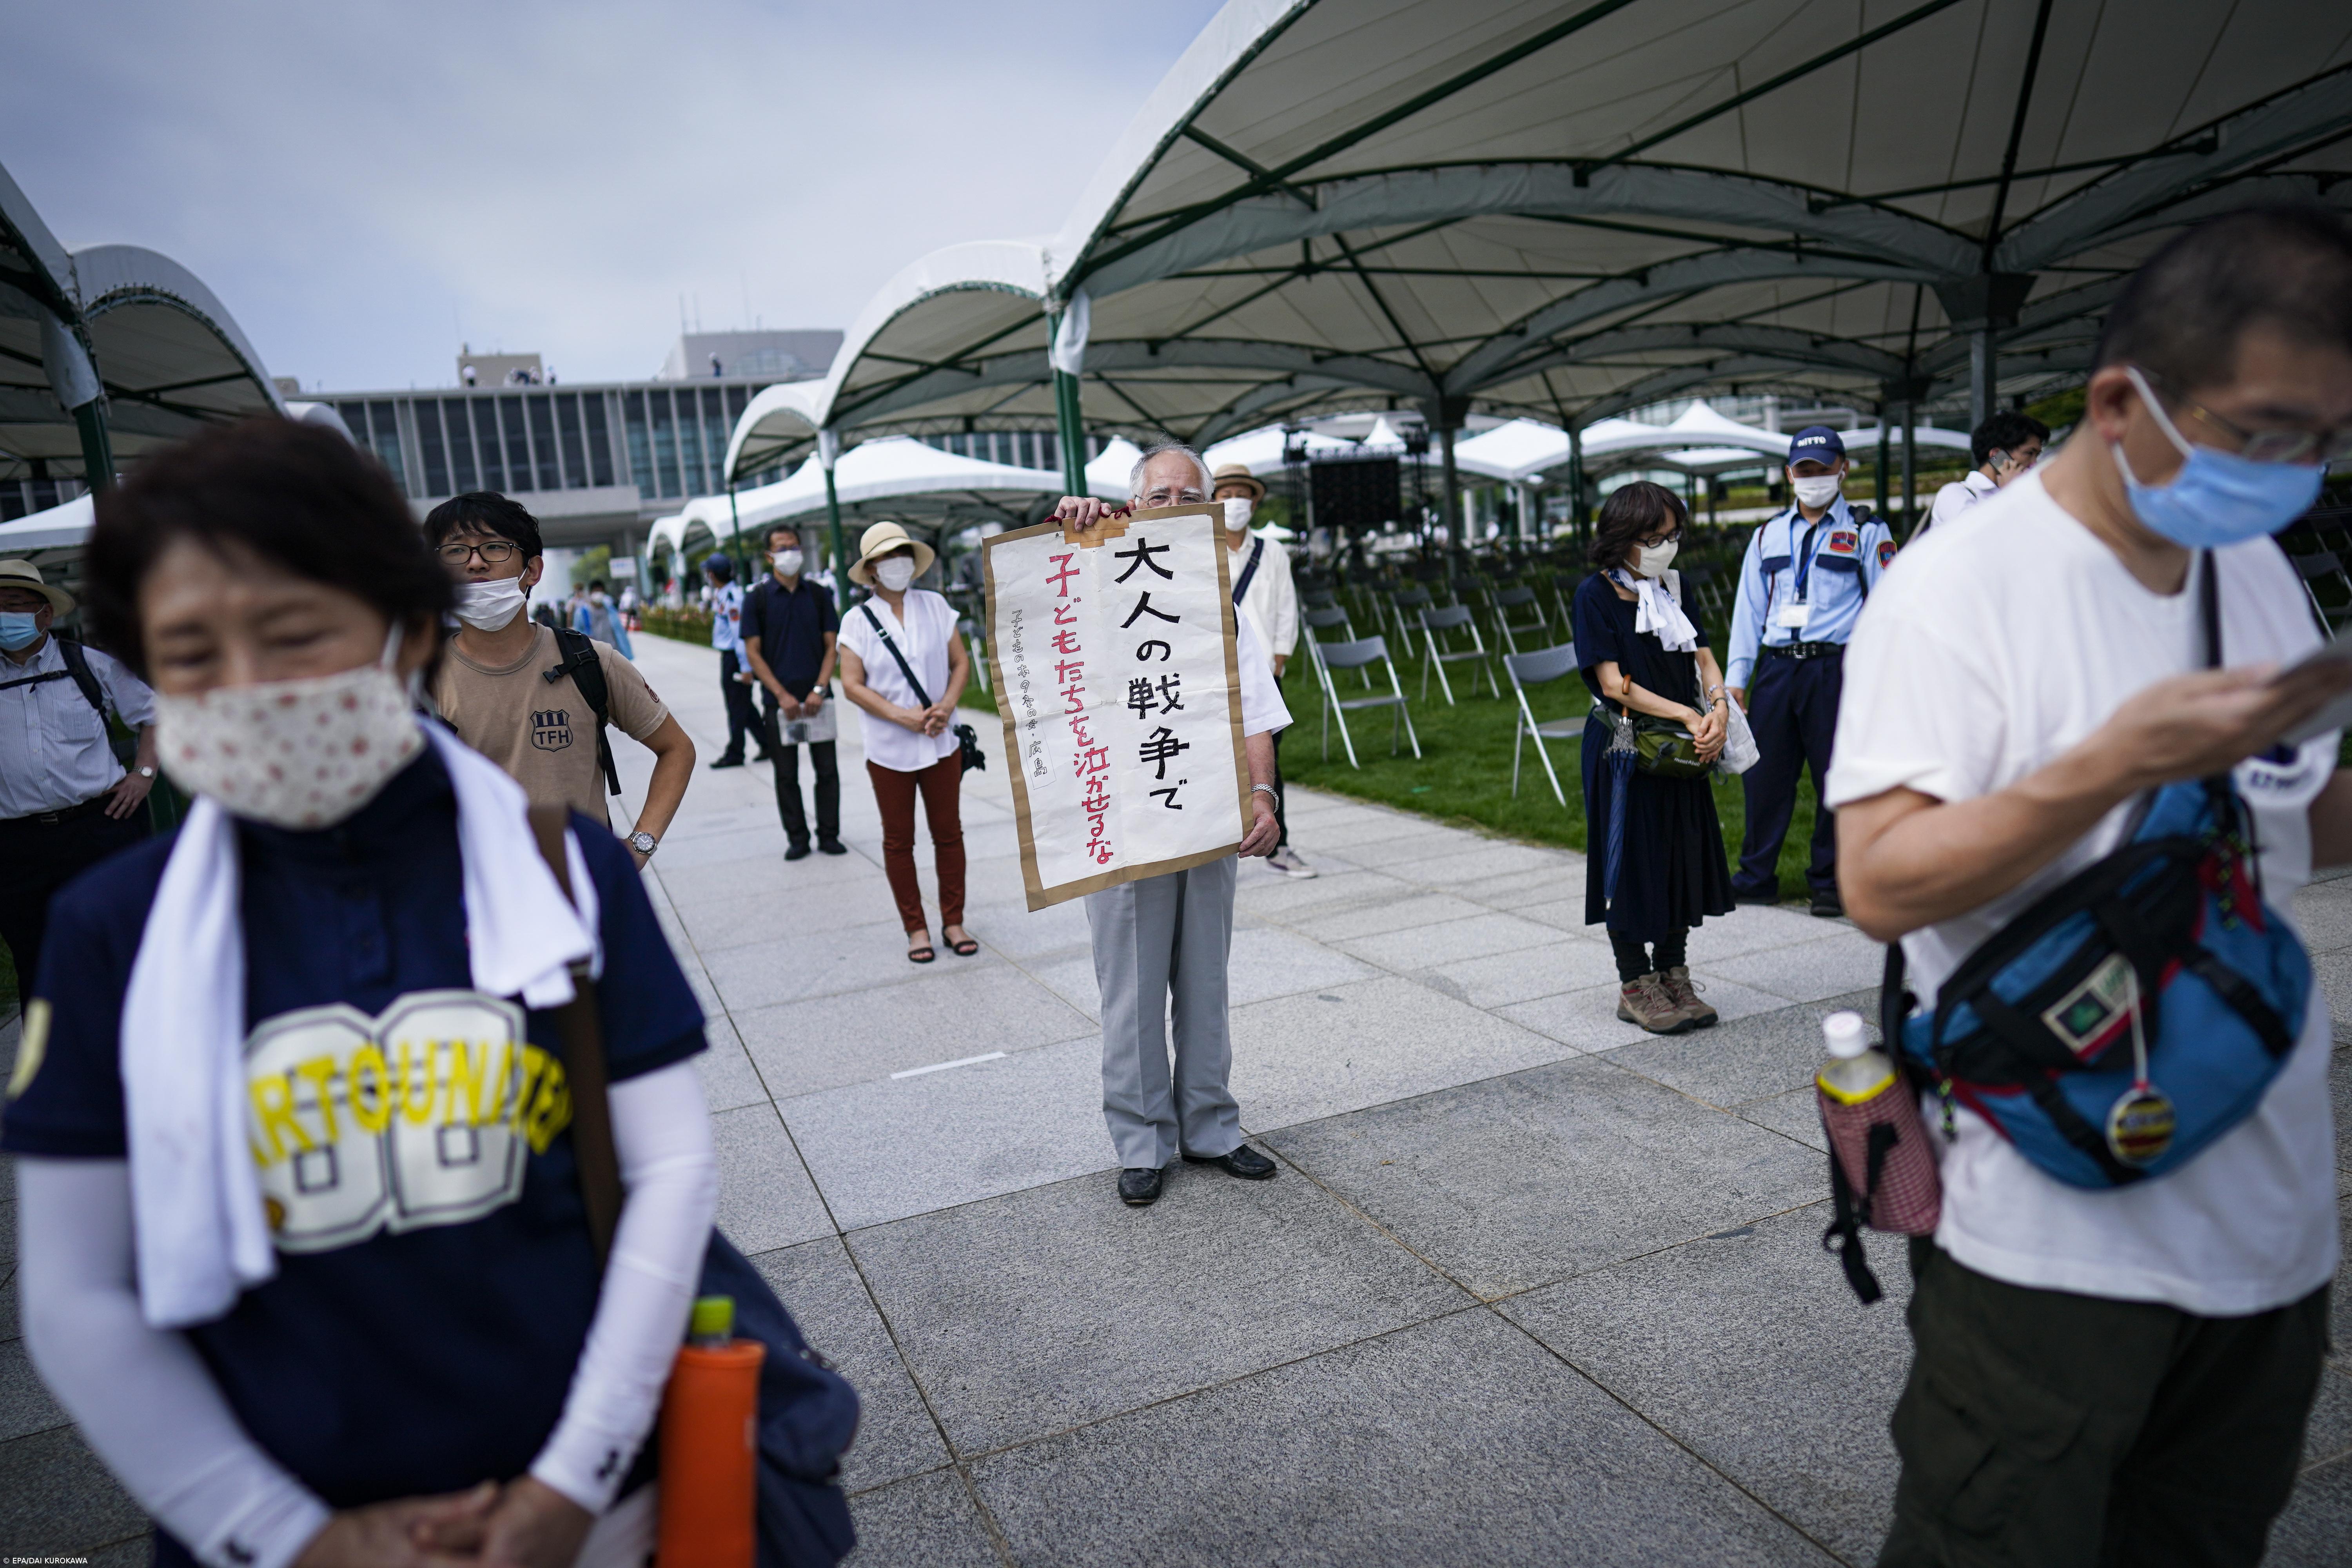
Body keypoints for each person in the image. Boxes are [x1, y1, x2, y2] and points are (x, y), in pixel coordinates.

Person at [5, 417, 719, 1568]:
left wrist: (570, 1482)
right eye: (191, 655)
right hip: (272, 1517)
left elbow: (670, 1169)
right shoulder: (112, 932)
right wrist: (295, 1535)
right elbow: (77, 1290)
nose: (247, 689)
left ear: (396, 633)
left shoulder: (563, 872)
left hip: (591, 1505)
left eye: (293, 635)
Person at [1832, 206, 2352, 1565]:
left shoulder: (2251, 566)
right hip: (2053, 1235)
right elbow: (1880, 881)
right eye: (2266, 432)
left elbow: (2295, 818)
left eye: (2326, 439)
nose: (2297, 470)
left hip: (2273, 1214)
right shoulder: (1958, 591)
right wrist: (2115, 763)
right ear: (2124, 401)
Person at [1052, 445, 1290, 1207]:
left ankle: (1212, 1124)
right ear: (1131, 506)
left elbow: (1256, 708)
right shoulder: (1093, 575)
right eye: (1161, 494)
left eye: (1194, 495)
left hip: (1209, 811)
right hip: (1125, 820)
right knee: (1131, 984)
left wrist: (1263, 793)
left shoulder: (1220, 599)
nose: (1178, 505)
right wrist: (1078, 535)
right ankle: (1142, 1138)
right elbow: (1044, 610)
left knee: (1205, 977)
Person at [429, 492, 694, 866]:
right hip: (478, 905)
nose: (475, 563)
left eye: (493, 547)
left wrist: (639, 847)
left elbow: (677, 749)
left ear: (533, 570)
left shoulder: (590, 661)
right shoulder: (417, 681)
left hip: (586, 894)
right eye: (456, 551)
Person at [1572, 483, 1735, 1034]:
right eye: (1653, 538)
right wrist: (1690, 717)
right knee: (1629, 859)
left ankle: (1673, 972)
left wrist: (1717, 709)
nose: (1665, 547)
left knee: (1680, 855)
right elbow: (1615, 684)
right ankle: (1635, 982)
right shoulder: (1594, 596)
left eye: (1672, 536)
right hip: (1626, 747)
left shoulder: (1674, 589)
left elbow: (1705, 658)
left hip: (1682, 750)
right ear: (1622, 539)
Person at [1724, 426, 1894, 917]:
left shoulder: (1868, 531)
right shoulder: (1768, 534)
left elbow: (1887, 605)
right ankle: (1756, 876)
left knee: (1834, 777)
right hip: (1778, 669)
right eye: (1805, 471)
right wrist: (1737, 679)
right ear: (1789, 475)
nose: (1815, 478)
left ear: (1843, 469)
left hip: (1835, 669)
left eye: (1824, 469)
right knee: (1764, 775)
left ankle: (1831, 882)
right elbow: (1747, 612)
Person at [0, 559, 158, 992]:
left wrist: (143, 774)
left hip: (99, 826)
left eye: (13, 604)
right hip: (17, 846)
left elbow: (156, 715)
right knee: (36, 960)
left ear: (45, 614)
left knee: (126, 944)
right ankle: (59, 1055)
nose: (4, 616)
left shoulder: (89, 664)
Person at [835, 522, 973, 959]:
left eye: (903, 554)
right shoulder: (855, 621)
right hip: (889, 748)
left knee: (949, 834)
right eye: (887, 556)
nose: (898, 563)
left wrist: (946, 707)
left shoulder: (935, 605)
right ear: (871, 569)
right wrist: (902, 716)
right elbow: (852, 685)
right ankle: (916, 928)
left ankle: (954, 921)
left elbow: (960, 662)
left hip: (940, 742)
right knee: (899, 840)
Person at [1211, 462, 1312, 879]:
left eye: (1242, 494)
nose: (1234, 502)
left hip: (1262, 675)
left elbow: (1287, 608)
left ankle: (1278, 842)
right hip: (1211, 676)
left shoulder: (1272, 551)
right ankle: (1216, 844)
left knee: (1268, 762)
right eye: (1225, 494)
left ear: (1254, 501)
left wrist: (1279, 660)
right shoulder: (1200, 547)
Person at [740, 523, 843, 859]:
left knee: (827, 770)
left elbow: (832, 647)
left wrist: (820, 688)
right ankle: (797, 839)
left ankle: (829, 835)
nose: (790, 553)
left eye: (794, 547)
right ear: (769, 556)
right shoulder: (757, 599)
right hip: (778, 703)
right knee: (786, 775)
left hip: (818, 700)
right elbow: (753, 653)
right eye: (782, 548)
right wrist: (782, 695)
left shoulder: (818, 594)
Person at [1923, 409, 2051, 533]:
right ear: (1998, 455)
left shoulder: (2022, 496)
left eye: (2037, 455)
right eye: (2029, 453)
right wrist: (2010, 494)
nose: (2034, 463)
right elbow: (1981, 540)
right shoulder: (1955, 494)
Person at [702, 555, 767, 769]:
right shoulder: (724, 595)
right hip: (731, 658)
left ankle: (736, 752)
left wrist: (746, 667)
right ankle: (768, 744)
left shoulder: (732, 598)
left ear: (712, 575)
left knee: (736, 706)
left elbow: (740, 635)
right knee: (744, 705)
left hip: (736, 659)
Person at [573, 578, 634, 660]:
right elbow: (578, 634)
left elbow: (620, 633)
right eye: (596, 591)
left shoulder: (611, 611)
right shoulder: (582, 613)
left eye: (600, 591)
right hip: (594, 656)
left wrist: (627, 654)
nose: (599, 594)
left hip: (613, 653)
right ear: (591, 593)